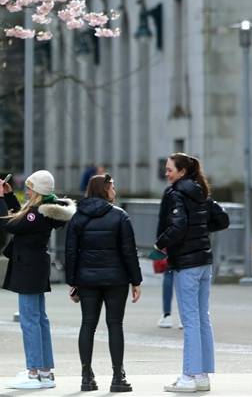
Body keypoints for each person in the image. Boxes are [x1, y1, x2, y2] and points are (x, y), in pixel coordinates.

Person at [155, 153, 229, 393]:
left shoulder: (176, 193)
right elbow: (222, 219)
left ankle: (189, 375)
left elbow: (177, 226)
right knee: (202, 318)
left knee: (191, 320)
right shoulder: (201, 192)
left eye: (169, 170)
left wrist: (159, 244)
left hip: (186, 264)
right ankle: (203, 375)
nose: (166, 173)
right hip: (204, 262)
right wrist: (200, 229)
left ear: (182, 172)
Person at [0, 170, 76, 390]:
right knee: (39, 320)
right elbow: (18, 217)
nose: (26, 190)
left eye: (30, 187)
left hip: (28, 270)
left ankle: (34, 373)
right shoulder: (43, 211)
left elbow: (9, 223)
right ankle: (44, 371)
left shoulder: (36, 213)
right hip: (35, 268)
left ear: (38, 191)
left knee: (30, 321)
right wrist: (10, 197)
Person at [65, 173, 142, 393]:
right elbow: (129, 252)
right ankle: (118, 376)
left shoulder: (78, 217)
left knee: (87, 324)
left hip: (87, 280)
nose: (115, 191)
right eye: (112, 187)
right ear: (105, 189)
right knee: (115, 325)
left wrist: (72, 282)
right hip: (116, 279)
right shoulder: (120, 216)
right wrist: (135, 280)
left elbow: (71, 253)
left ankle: (86, 376)